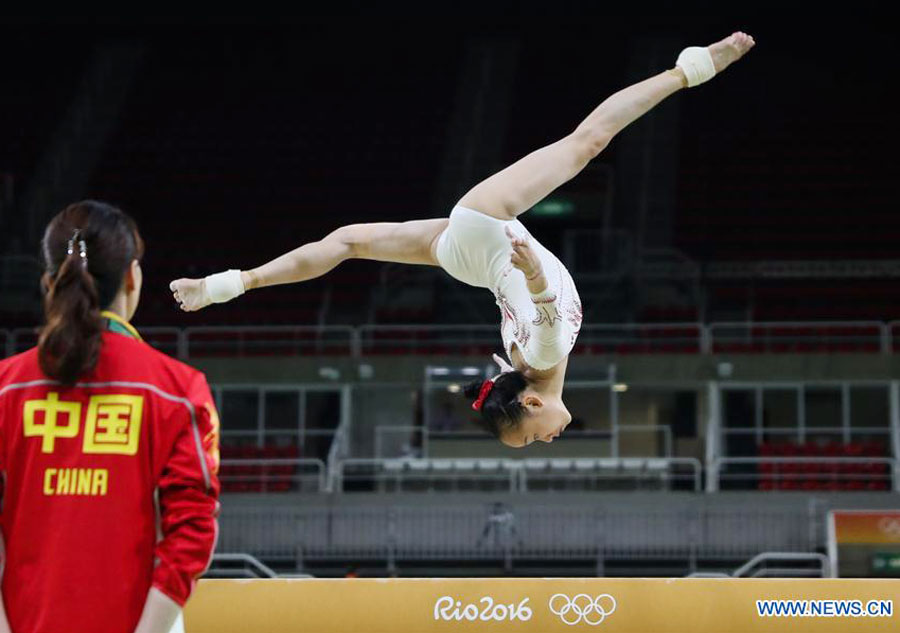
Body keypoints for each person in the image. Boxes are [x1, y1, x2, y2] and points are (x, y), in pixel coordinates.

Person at [170, 33, 755, 448]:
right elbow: (530, 328)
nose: (546, 441)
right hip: (468, 261)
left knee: (587, 142)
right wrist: (520, 279)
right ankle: (229, 284)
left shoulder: (545, 361)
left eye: (530, 441)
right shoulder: (526, 366)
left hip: (486, 231)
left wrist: (527, 269)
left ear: (530, 403)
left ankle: (692, 68)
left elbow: (547, 310)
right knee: (347, 242)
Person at [0, 201, 221, 633]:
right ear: (132, 279)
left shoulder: (7, 388)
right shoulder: (176, 390)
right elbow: (192, 533)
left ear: (50, 283)